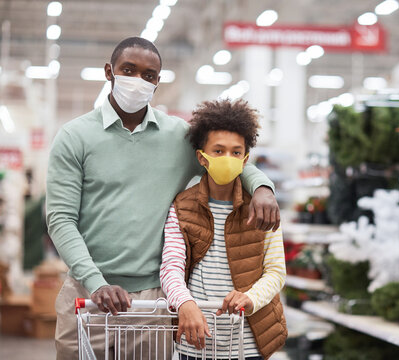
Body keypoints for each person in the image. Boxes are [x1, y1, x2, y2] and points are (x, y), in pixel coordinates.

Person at [46, 37, 280, 360]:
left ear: (157, 81)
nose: (138, 81)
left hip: (151, 300)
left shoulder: (178, 138)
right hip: (87, 290)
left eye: (149, 75)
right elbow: (61, 219)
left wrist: (263, 187)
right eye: (128, 70)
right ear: (109, 72)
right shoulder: (74, 137)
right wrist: (95, 282)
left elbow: (228, 161)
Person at [160, 99, 287, 360]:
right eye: (218, 151)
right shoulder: (183, 206)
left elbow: (276, 271)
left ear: (245, 159)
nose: (227, 159)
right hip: (195, 341)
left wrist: (250, 298)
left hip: (248, 344)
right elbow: (171, 266)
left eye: (236, 152)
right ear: (201, 157)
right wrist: (184, 303)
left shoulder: (263, 207)